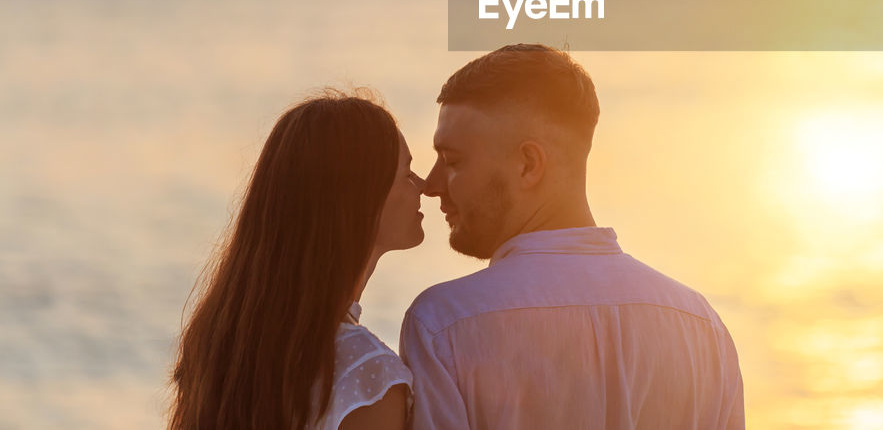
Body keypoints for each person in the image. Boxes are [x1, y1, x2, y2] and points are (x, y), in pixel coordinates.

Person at [400, 44, 745, 429]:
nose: (431, 185)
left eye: (452, 162)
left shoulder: (445, 324)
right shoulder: (700, 327)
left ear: (528, 165)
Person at [169, 91, 426, 430]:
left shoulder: (228, 340)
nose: (423, 186)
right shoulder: (368, 374)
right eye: (406, 173)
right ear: (360, 200)